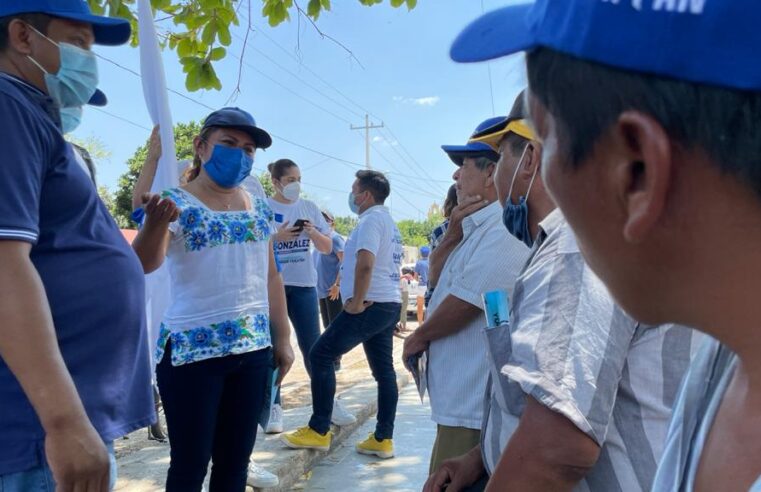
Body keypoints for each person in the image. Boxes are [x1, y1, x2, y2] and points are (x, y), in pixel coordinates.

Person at [425, 89, 700, 492]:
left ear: (530, 160)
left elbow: (558, 449)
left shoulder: (575, 253)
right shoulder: (576, 244)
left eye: (500, 158)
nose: (496, 178)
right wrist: (480, 457)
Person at [0, 2, 155, 491]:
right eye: (80, 42)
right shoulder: (6, 105)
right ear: (24, 37)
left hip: (53, 422)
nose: (88, 61)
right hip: (36, 430)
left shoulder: (26, 112)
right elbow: (4, 263)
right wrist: (63, 423)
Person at [131, 107, 295, 492]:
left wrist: (283, 338)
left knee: (234, 467)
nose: (240, 154)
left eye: (249, 149)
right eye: (229, 144)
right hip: (192, 355)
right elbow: (143, 263)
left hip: (253, 351)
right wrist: (155, 224)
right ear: (201, 147)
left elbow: (270, 274)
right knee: (189, 467)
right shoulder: (175, 202)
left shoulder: (256, 202)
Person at [403, 118, 530, 474]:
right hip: (461, 403)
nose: (456, 178)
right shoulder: (472, 228)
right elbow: (438, 285)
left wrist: (419, 336)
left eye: (464, 168)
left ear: (492, 173)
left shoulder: (504, 229)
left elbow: (467, 302)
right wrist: (450, 238)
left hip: (474, 406)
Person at [281, 170, 404, 459]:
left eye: (354, 190)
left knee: (320, 354)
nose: (351, 196)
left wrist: (357, 302)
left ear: (366, 195)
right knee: (384, 372)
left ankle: (319, 429)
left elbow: (365, 263)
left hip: (370, 304)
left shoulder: (372, 220)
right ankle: (383, 438)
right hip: (386, 304)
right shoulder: (388, 221)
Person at [267, 158, 356, 432]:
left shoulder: (308, 208)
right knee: (272, 350)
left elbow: (329, 246)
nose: (296, 185)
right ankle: (273, 407)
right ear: (275, 181)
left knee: (314, 348)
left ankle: (328, 403)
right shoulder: (264, 207)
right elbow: (254, 244)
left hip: (305, 286)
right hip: (274, 285)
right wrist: (276, 238)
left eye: (298, 179)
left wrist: (312, 231)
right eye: (290, 179)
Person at [315, 210, 345, 370]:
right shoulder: (317, 242)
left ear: (332, 222)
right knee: (327, 326)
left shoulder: (335, 238)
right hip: (321, 291)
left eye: (325, 219)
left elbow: (344, 262)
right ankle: (330, 357)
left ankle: (336, 359)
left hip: (334, 290)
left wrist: (337, 285)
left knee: (335, 326)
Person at [425, 185, 458, 307]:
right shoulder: (479, 225)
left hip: (440, 294)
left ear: (448, 203)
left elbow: (433, 269)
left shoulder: (440, 231)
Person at [413, 246, 430, 322]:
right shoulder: (431, 262)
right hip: (430, 286)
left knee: (420, 307)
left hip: (422, 286)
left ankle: (420, 324)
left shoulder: (419, 263)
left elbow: (415, 277)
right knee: (429, 306)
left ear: (421, 253)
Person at [398, 267, 414, 333]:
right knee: (403, 310)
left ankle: (402, 326)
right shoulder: (403, 276)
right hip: (403, 292)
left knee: (401, 310)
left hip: (401, 292)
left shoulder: (400, 273)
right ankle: (403, 327)